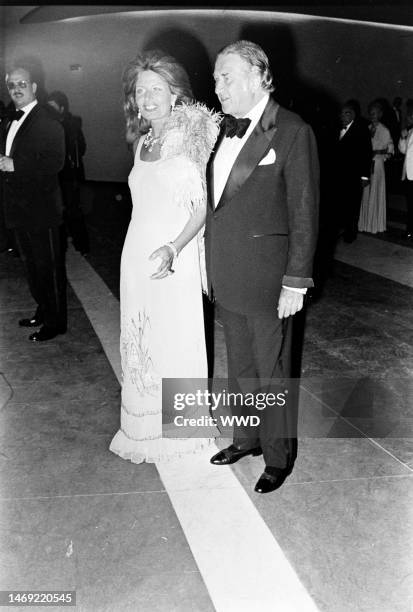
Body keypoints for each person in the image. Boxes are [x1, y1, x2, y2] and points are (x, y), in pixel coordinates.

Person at [205, 41, 319, 494]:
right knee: (240, 368)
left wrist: (296, 281)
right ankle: (246, 439)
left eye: (225, 76)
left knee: (271, 372)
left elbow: (305, 213)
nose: (217, 86)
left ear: (256, 76)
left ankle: (277, 457)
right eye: (215, 77)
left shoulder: (291, 130)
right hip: (228, 271)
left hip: (271, 279)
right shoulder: (221, 129)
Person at [109, 50, 220, 463]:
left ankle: (181, 430)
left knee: (175, 339)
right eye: (141, 91)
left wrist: (173, 248)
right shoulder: (141, 143)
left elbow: (201, 208)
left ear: (175, 94)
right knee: (140, 342)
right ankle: (142, 425)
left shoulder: (187, 138)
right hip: (135, 254)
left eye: (157, 89)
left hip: (174, 255)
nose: (148, 98)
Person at [0, 66, 66, 342]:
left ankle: (55, 322)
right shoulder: (9, 118)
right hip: (19, 209)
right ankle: (43, 310)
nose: (17, 88)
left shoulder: (46, 118)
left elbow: (56, 160)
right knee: (31, 266)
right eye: (12, 84)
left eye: (22, 83)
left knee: (47, 268)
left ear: (34, 87)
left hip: (42, 210)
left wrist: (17, 165)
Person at [47, 90, 90, 256]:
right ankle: (64, 243)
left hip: (69, 175)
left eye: (53, 106)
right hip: (56, 175)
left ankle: (82, 245)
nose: (49, 110)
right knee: (59, 211)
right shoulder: (49, 124)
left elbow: (82, 148)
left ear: (62, 108)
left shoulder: (70, 125)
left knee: (73, 210)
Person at [334, 100, 372, 243]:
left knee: (353, 205)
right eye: (342, 113)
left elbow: (366, 154)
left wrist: (364, 176)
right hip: (338, 175)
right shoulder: (336, 127)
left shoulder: (361, 130)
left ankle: (351, 233)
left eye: (347, 113)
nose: (343, 116)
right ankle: (340, 228)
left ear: (353, 115)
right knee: (339, 203)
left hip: (354, 175)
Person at [359, 100, 394, 234]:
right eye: (370, 113)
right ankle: (365, 223)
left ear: (380, 114)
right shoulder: (366, 129)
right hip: (366, 164)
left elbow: (390, 151)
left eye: (375, 113)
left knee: (376, 193)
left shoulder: (385, 130)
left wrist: (378, 153)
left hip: (378, 165)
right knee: (366, 193)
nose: (372, 115)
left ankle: (375, 225)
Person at [398, 102, 413, 240]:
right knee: (410, 205)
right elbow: (403, 150)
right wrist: (402, 137)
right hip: (409, 174)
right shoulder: (409, 131)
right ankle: (410, 230)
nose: (409, 119)